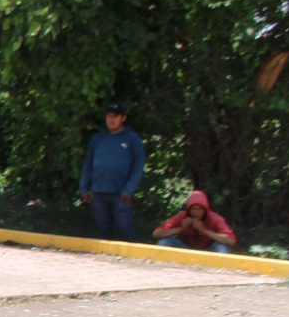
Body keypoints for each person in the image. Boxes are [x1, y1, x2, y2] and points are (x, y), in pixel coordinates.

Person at [79, 103, 144, 241]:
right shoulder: (97, 138)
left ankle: (134, 258)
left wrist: (129, 190)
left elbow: (138, 165)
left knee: (125, 227)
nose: (111, 119)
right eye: (109, 116)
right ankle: (106, 261)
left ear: (123, 118)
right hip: (98, 192)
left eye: (115, 116)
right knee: (103, 229)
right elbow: (88, 164)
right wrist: (84, 188)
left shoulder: (132, 138)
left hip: (120, 193)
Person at [154, 190, 237, 253]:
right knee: (164, 242)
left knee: (222, 247)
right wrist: (181, 228)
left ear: (205, 210)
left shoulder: (215, 218)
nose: (196, 212)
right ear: (189, 210)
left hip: (208, 250)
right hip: (185, 248)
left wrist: (204, 230)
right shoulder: (183, 217)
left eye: (200, 209)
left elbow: (231, 240)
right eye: (193, 209)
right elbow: (156, 233)